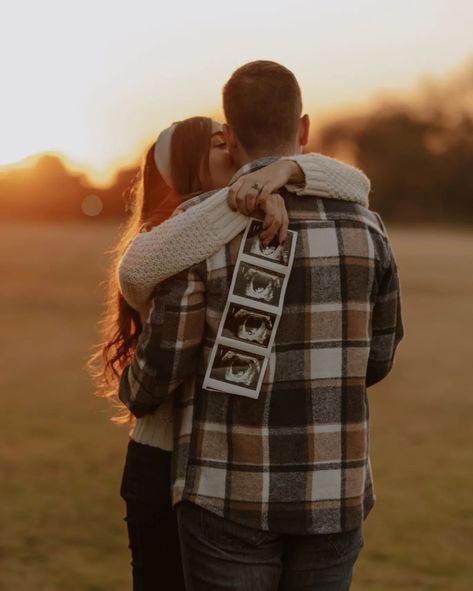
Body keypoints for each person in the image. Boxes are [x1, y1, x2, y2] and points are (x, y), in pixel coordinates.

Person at [98, 109, 373, 589]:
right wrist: (252, 196)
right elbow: (137, 274)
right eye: (213, 143)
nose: (229, 142)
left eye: (227, 136)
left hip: (218, 462)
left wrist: (284, 173)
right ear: (184, 171)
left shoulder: (245, 208)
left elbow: (354, 183)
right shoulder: (170, 244)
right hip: (162, 455)